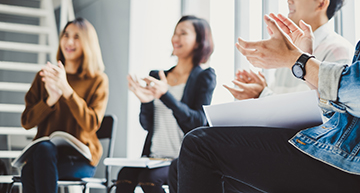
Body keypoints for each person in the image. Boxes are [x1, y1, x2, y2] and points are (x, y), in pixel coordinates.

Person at [177, 0, 360, 192]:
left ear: (321, 4)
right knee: (216, 167)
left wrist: (298, 61)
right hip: (343, 150)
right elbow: (333, 106)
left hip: (353, 160)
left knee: (199, 145)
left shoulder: (336, 48)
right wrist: (275, 82)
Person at [115, 15, 216, 193]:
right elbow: (146, 125)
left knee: (149, 180)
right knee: (124, 175)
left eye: (183, 33)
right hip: (153, 157)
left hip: (180, 159)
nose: (175, 38)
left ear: (200, 41)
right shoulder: (157, 76)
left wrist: (165, 95)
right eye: (175, 33)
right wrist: (145, 102)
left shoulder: (204, 76)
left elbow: (198, 123)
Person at [224, 0, 353, 100]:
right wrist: (261, 90)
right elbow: (280, 106)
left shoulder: (338, 50)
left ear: (321, 3)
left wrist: (262, 94)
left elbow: (327, 109)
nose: (289, 0)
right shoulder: (288, 51)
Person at [20, 18, 109, 193]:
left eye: (76, 37)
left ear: (87, 43)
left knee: (31, 171)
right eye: (66, 35)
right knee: (41, 153)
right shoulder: (44, 76)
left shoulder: (98, 80)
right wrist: (50, 100)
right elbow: (27, 122)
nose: (69, 42)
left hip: (79, 159)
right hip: (44, 156)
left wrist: (67, 91)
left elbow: (91, 124)